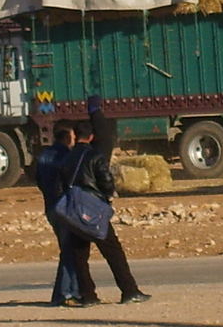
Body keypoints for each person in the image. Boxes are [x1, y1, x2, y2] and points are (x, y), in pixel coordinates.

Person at [59, 122, 150, 306]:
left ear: (75, 136)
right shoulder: (95, 155)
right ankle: (129, 290)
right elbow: (106, 180)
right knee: (114, 252)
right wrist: (108, 196)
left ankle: (88, 296)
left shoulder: (67, 158)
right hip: (93, 211)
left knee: (79, 256)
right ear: (91, 137)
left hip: (74, 211)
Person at [36, 126, 80, 306]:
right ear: (67, 137)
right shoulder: (66, 156)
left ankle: (65, 292)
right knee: (70, 250)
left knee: (67, 249)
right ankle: (66, 293)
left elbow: (40, 181)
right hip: (64, 207)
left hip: (50, 206)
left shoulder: (43, 156)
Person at [87, 95, 114, 167]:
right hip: (105, 146)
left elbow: (98, 134)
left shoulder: (96, 117)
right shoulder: (99, 116)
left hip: (101, 147)